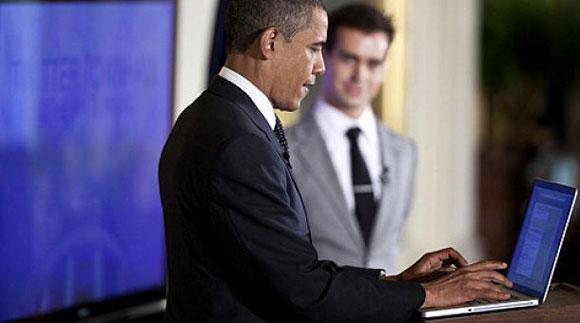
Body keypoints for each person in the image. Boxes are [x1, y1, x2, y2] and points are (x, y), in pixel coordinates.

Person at [158, 0, 513, 322]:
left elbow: (285, 267)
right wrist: (431, 294)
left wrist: (398, 282)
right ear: (270, 42)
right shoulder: (238, 141)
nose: (320, 67)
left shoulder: (208, 116)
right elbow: (302, 288)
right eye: (314, 48)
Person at [287, 3, 414, 273]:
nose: (360, 75)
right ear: (324, 57)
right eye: (349, 59)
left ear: (386, 65)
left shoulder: (405, 152)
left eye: (373, 63)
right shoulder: (284, 148)